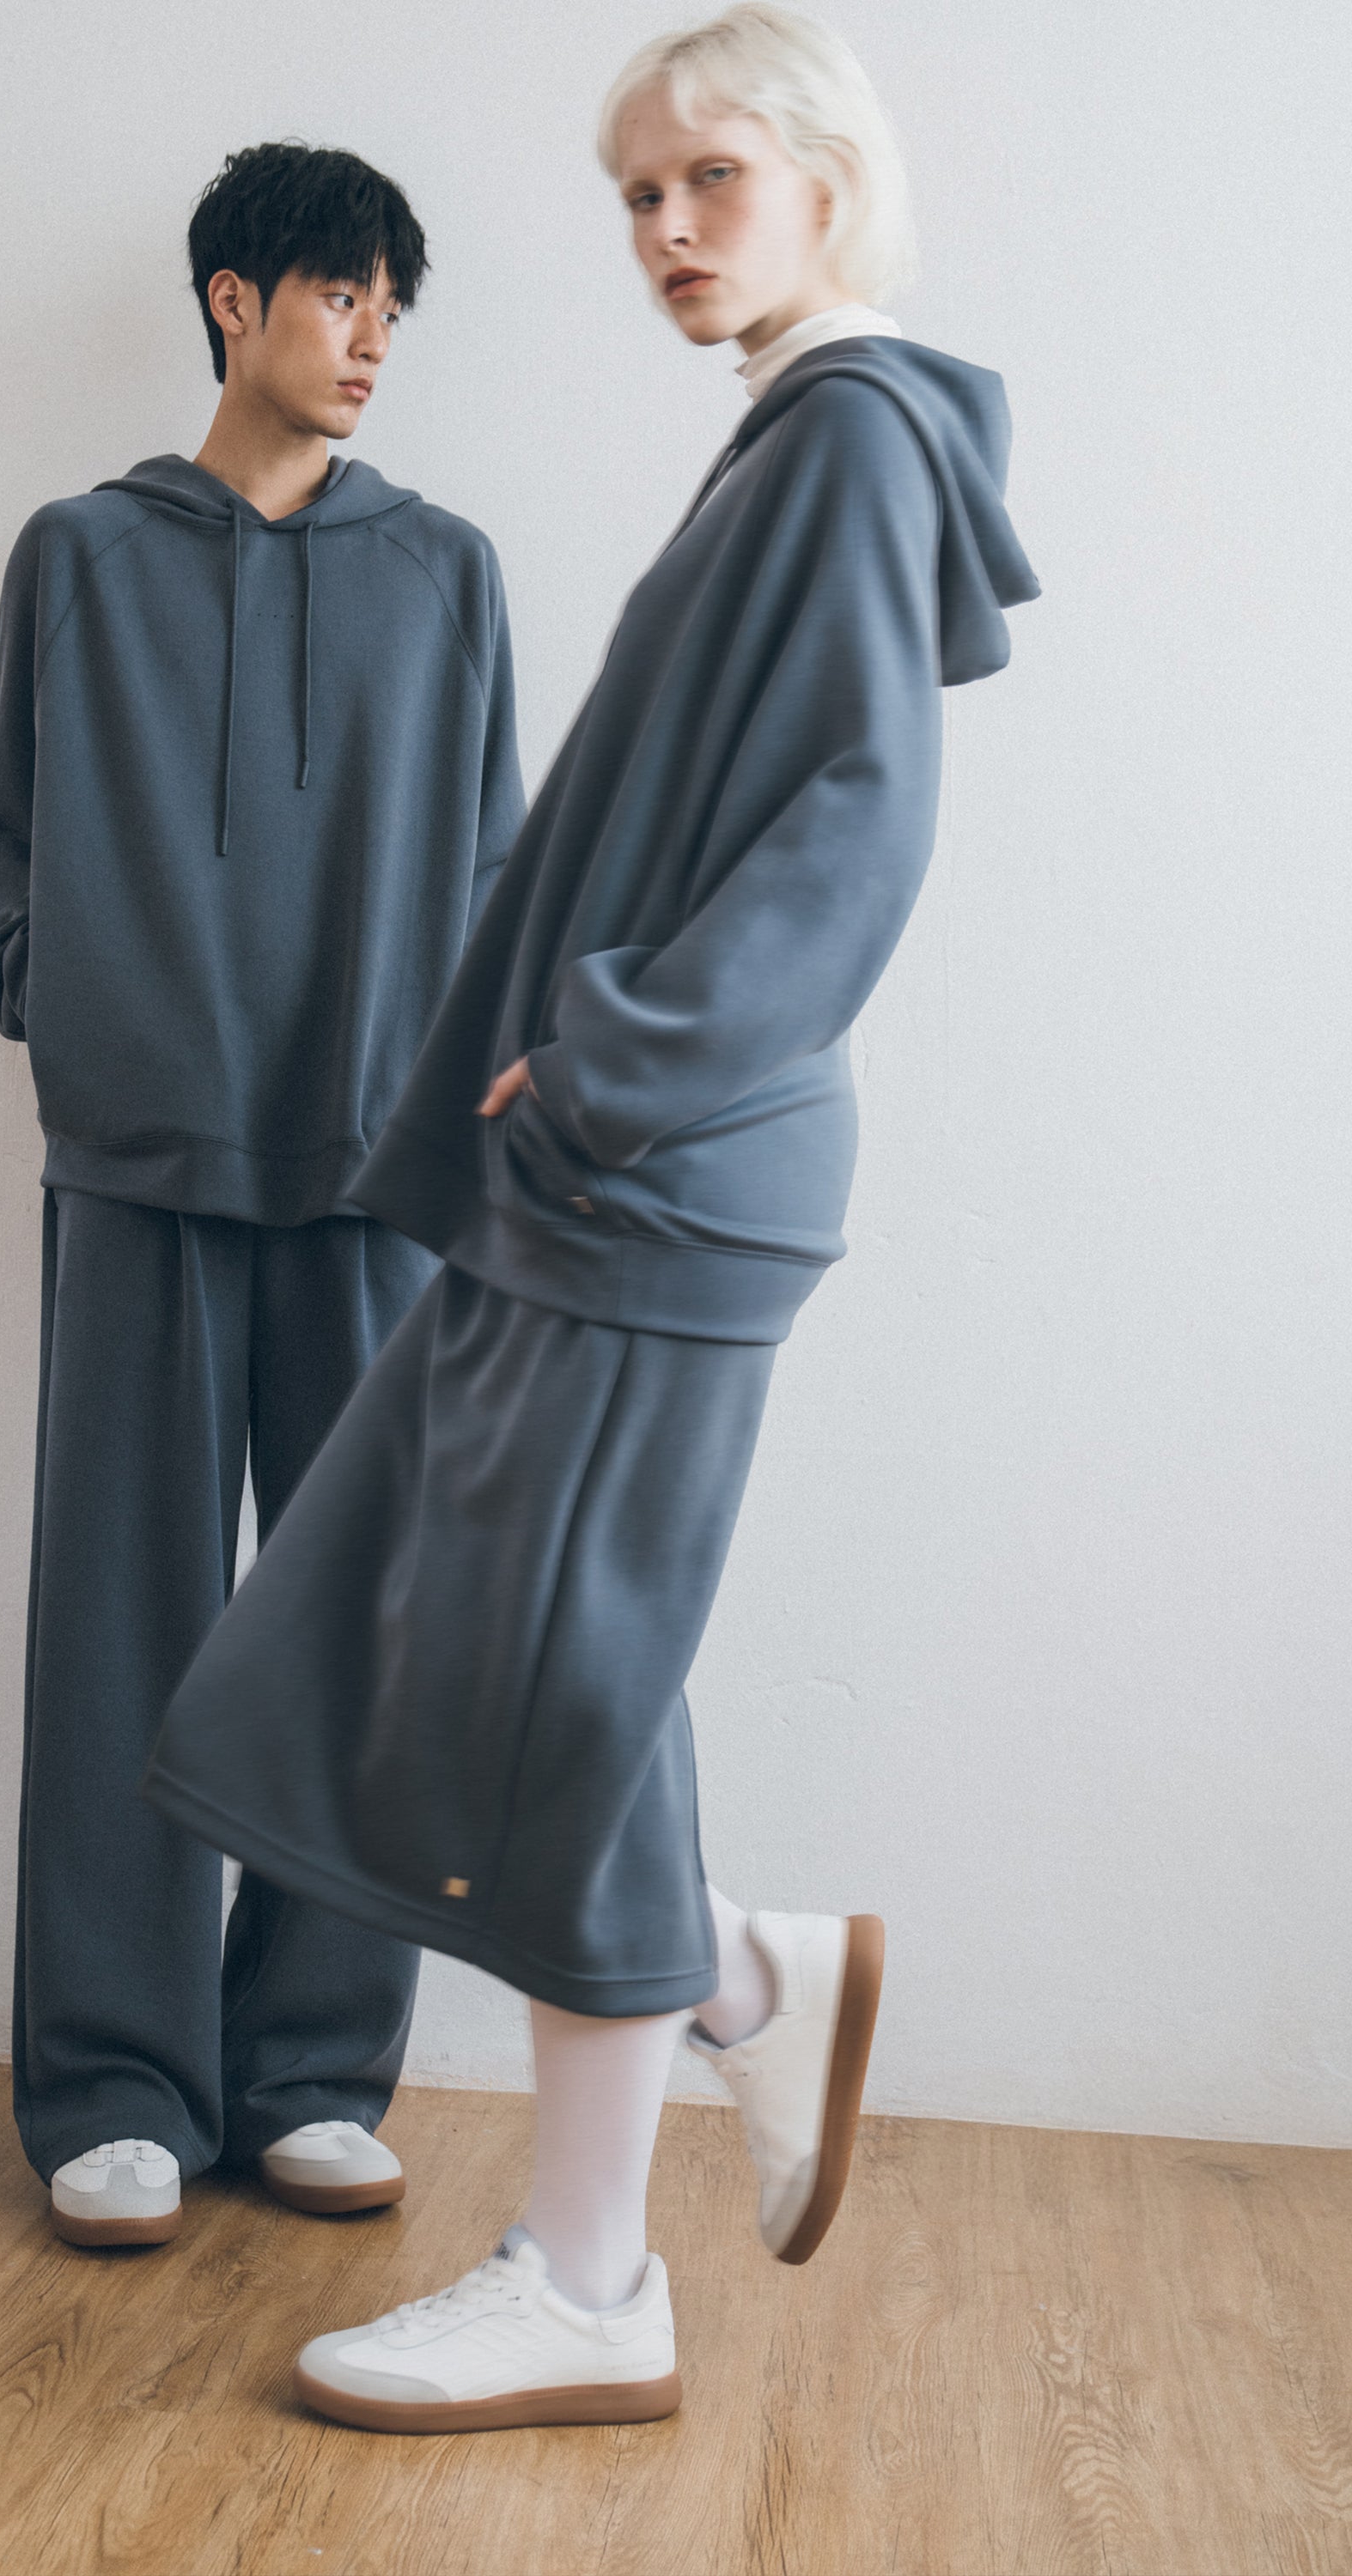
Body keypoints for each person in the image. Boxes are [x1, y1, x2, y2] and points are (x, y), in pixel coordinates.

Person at [148, 1, 1038, 2424]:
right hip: (615, 1170)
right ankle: (739, 1999)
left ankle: (592, 2266)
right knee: (559, 1676)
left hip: (663, 1166)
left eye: (707, 179)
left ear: (827, 179)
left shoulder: (847, 438)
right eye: (635, 194)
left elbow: (854, 820)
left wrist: (617, 1056)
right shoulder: (797, 437)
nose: (661, 229)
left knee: (551, 1688)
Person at [0, 143, 525, 2247]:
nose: (370, 341)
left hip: (374, 1173)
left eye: (392, 308)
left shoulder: (445, 572)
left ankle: (308, 2070)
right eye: (339, 296)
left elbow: (498, 866)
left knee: (360, 1630)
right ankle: (115, 2081)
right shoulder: (79, 556)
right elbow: (7, 837)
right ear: (233, 300)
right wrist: (69, 1010)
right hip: (139, 1161)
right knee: (123, 1618)